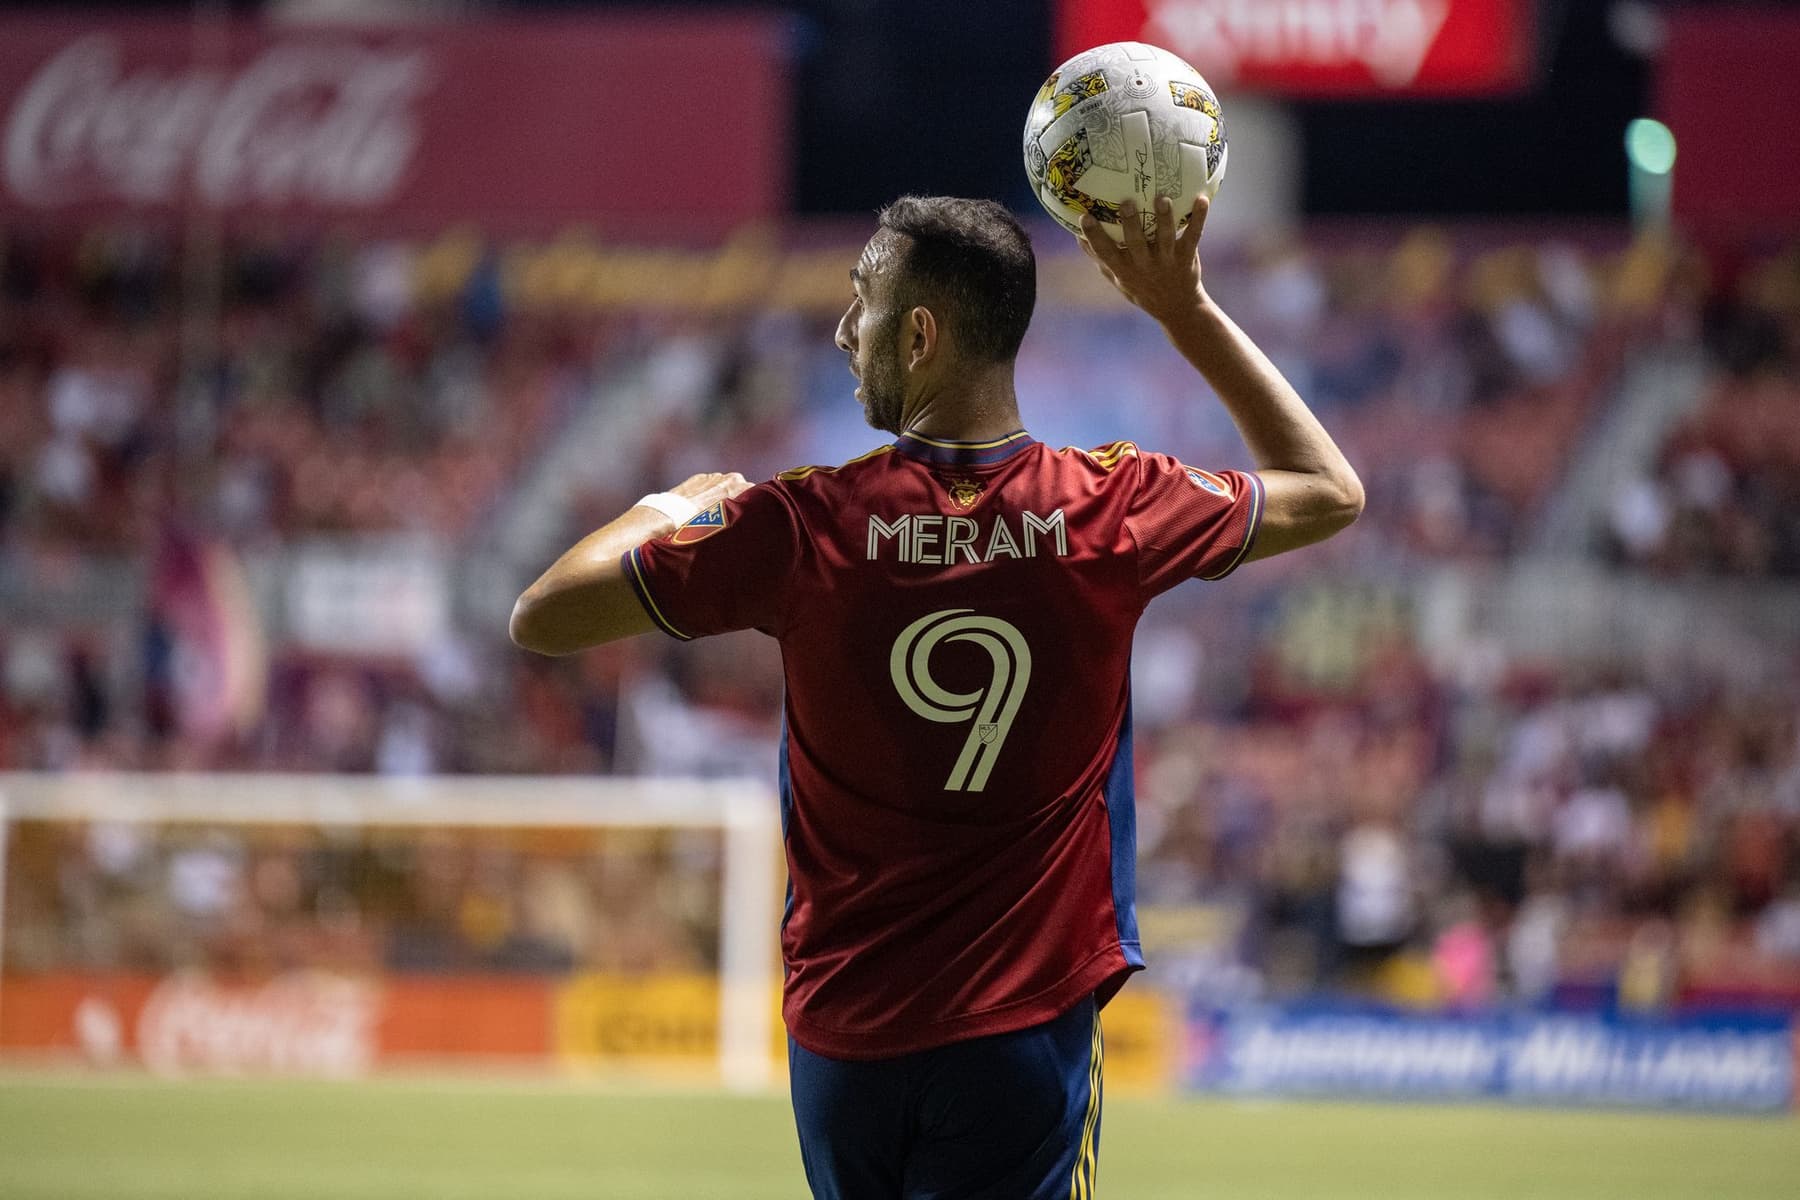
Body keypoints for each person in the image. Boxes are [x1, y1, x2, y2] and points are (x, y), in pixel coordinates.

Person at [511, 192, 1362, 1199]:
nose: (842, 329)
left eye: (861, 302)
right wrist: (1184, 311)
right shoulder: (1111, 508)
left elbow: (543, 615)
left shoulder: (799, 526)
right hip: (1024, 1029)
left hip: (845, 1031)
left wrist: (668, 507)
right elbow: (1329, 489)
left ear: (918, 334)